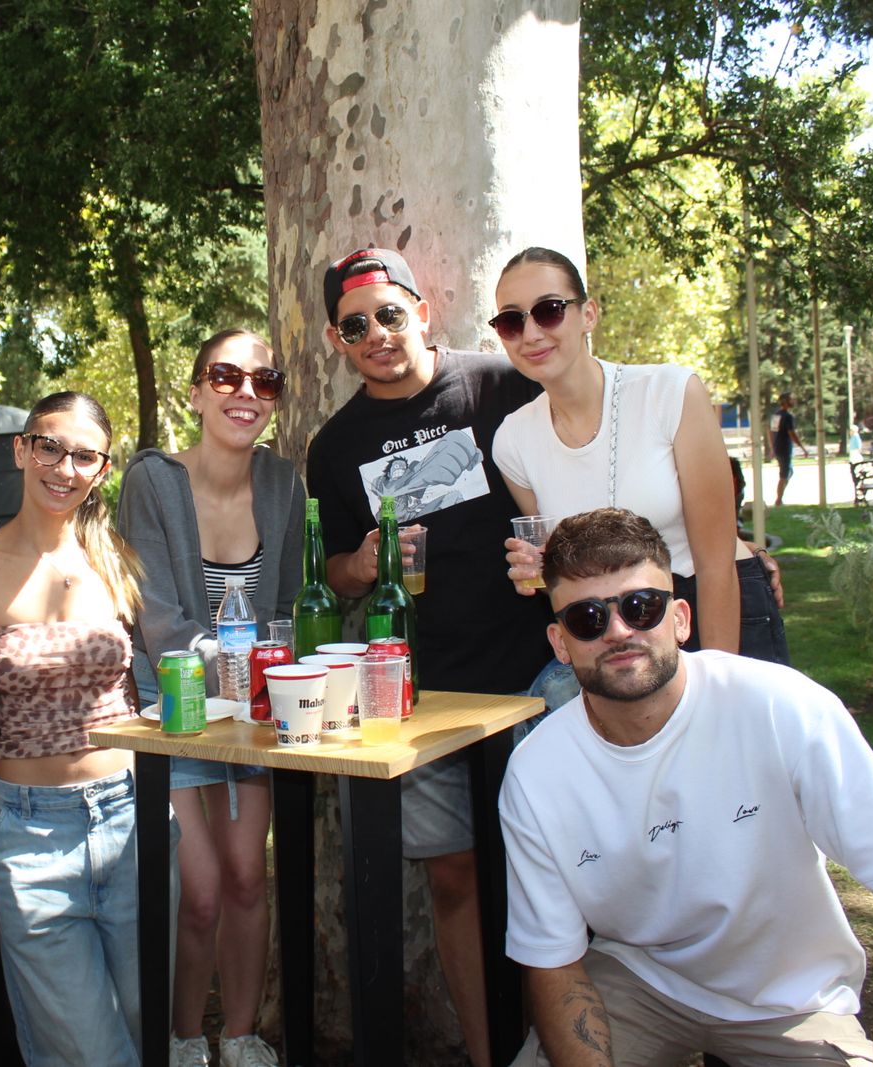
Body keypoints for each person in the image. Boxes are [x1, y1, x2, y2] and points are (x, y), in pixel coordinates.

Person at [500, 507, 873, 1067]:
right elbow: (553, 962)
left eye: (642, 607)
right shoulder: (536, 771)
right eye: (587, 618)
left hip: (788, 998)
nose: (619, 631)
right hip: (640, 977)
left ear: (681, 619)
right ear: (560, 643)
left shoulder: (780, 706)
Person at [305, 247, 560, 1067]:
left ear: (423, 308)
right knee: (454, 876)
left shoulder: (500, 384)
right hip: (421, 699)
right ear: (336, 339)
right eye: (355, 324)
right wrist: (365, 561)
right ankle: (491, 1056)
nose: (377, 334)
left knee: (561, 868)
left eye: (389, 312)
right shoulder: (335, 446)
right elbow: (336, 567)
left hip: (538, 681)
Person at [0, 391, 150, 1067]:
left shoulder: (116, 561)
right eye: (50, 446)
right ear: (23, 449)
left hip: (133, 824)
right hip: (31, 836)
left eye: (84, 454)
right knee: (90, 1051)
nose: (64, 466)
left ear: (103, 469)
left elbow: (147, 690)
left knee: (143, 1033)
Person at [117, 329, 300, 1067]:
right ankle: (186, 1037)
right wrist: (247, 671)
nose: (245, 392)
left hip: (256, 713)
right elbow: (159, 616)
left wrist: (270, 680)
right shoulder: (152, 480)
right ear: (195, 392)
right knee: (198, 890)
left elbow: (288, 602)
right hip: (180, 708)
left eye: (264, 381)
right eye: (225, 376)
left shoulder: (285, 482)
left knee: (249, 875)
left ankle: (244, 1034)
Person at [490, 246, 787, 663]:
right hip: (616, 628)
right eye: (511, 321)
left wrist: (717, 684)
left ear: (588, 314)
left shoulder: (671, 392)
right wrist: (537, 572)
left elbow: (717, 563)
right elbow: (560, 568)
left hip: (714, 603)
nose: (532, 333)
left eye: (550, 310)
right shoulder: (512, 440)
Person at [768, 391, 807, 507]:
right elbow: (792, 433)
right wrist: (802, 447)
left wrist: (773, 447)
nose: (793, 401)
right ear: (785, 402)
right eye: (791, 399)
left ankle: (780, 498)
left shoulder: (776, 415)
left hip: (778, 447)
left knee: (788, 472)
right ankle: (779, 500)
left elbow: (771, 432)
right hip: (784, 448)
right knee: (784, 473)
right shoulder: (788, 417)